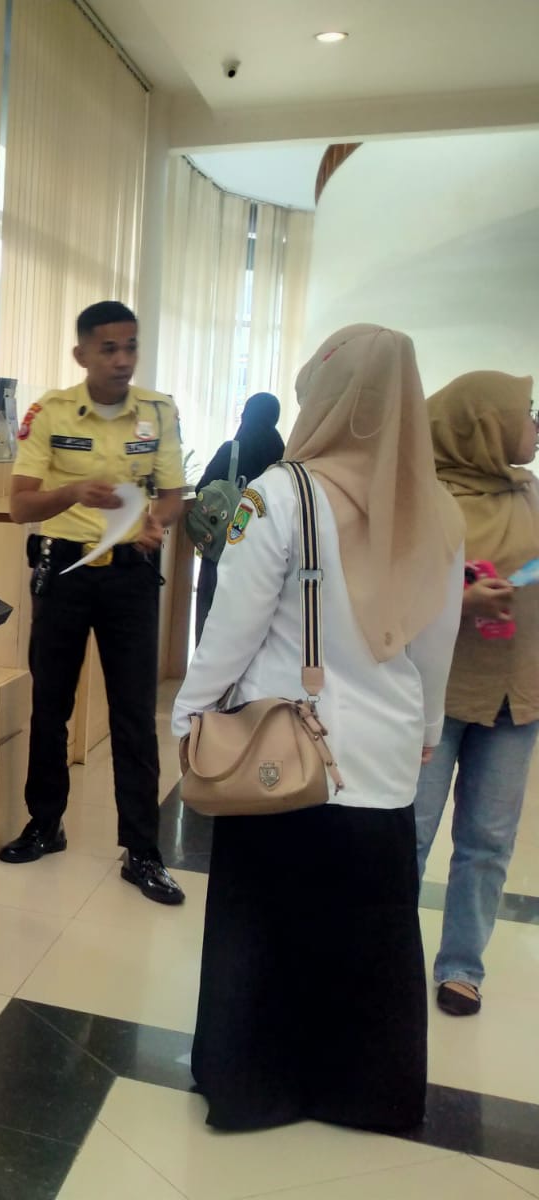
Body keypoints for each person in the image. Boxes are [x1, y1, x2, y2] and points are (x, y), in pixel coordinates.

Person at [173, 324, 465, 1132]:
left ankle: (254, 1087)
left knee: (262, 924)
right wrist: (428, 727)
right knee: (371, 930)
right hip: (384, 757)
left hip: (281, 750)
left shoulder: (278, 496)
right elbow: (435, 644)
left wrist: (190, 714)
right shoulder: (437, 510)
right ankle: (365, 1092)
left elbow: (230, 632)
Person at [2, 300, 188, 905]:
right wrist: (74, 491)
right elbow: (20, 506)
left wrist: (158, 521)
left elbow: (172, 494)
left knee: (134, 714)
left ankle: (143, 851)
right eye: (109, 349)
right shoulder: (51, 413)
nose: (122, 360)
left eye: (130, 347)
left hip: (130, 577)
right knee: (50, 705)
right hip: (64, 571)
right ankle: (44, 824)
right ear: (81, 353)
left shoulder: (157, 412)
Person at [414, 370, 539, 1018]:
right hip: (436, 694)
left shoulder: (530, 493)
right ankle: (383, 954)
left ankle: (462, 965)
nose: (535, 426)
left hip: (515, 695)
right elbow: (395, 592)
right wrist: (461, 601)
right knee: (409, 833)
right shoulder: (426, 498)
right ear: (485, 424)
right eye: (526, 413)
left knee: (488, 840)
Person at [192, 391, 284, 642]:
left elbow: (202, 491)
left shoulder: (231, 450)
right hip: (264, 552)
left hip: (224, 545)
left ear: (246, 414)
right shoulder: (282, 455)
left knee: (212, 616)